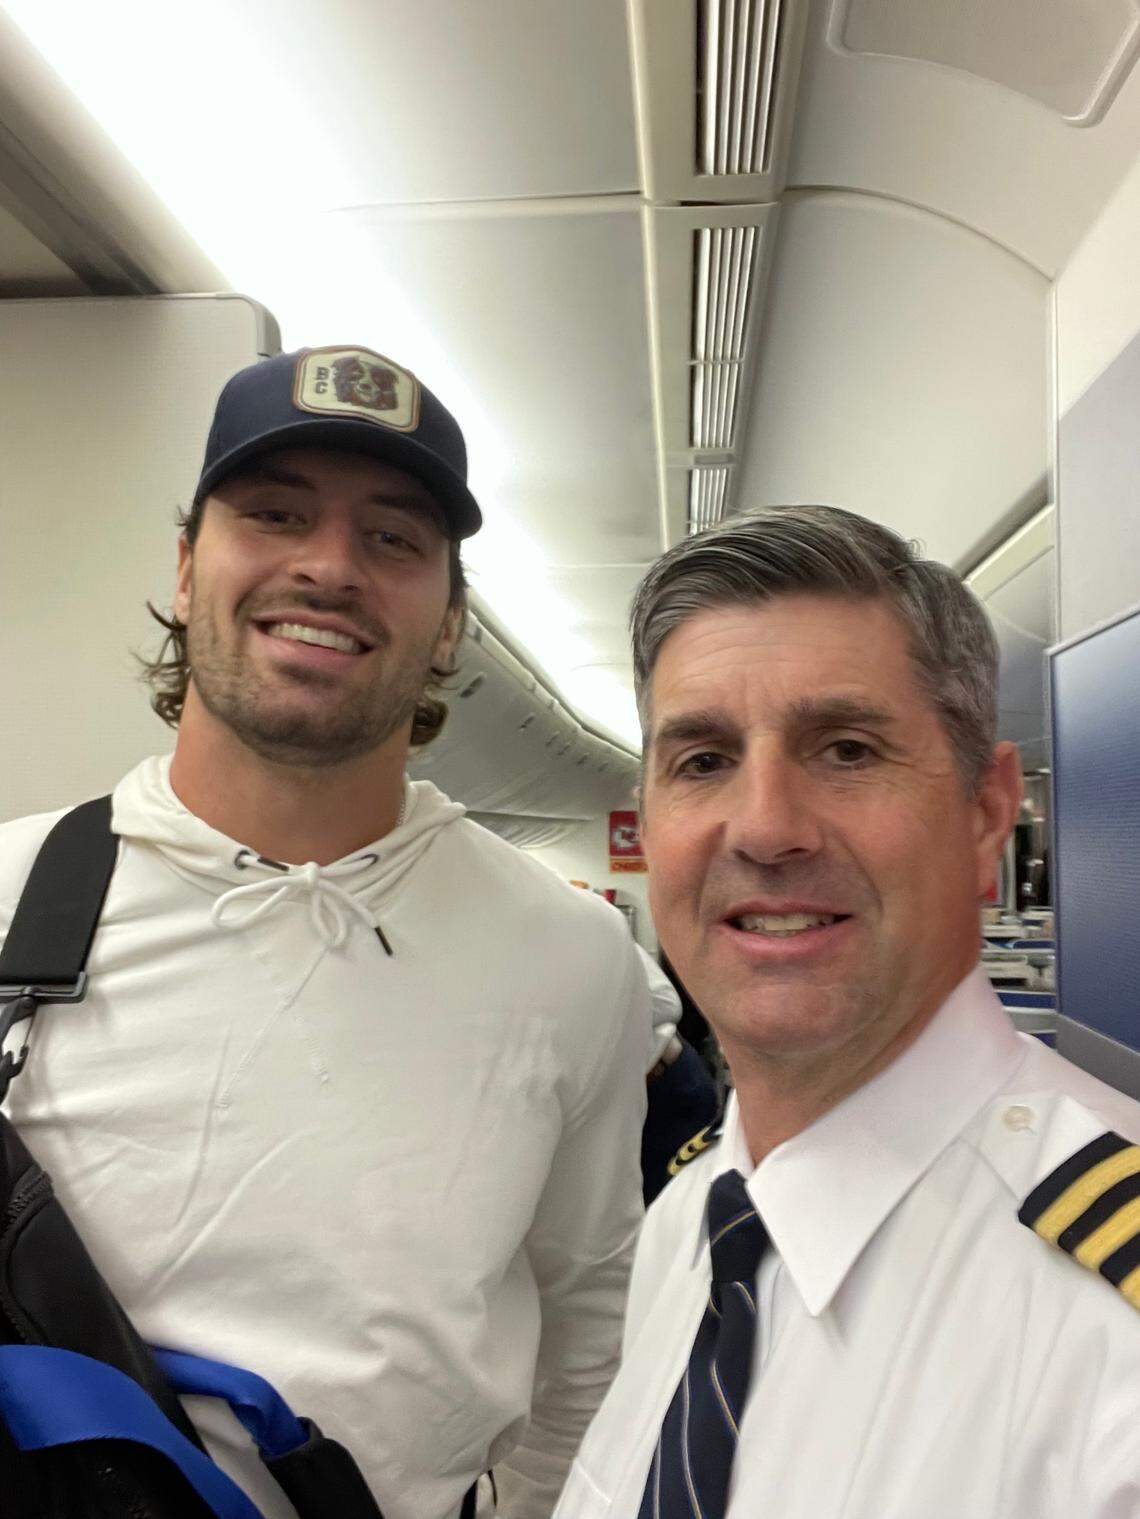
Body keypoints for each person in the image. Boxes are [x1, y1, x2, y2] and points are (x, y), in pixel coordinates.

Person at [0, 345, 652, 1519]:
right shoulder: (11, 898)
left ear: (450, 621)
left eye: (394, 538)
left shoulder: (572, 958)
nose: (328, 566)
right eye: (273, 514)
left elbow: (590, 1331)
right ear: (190, 565)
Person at [554, 505, 1140, 1519]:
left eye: (849, 749)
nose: (768, 826)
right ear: (647, 824)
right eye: (702, 761)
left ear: (986, 810)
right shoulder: (691, 1221)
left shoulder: (1109, 1332)